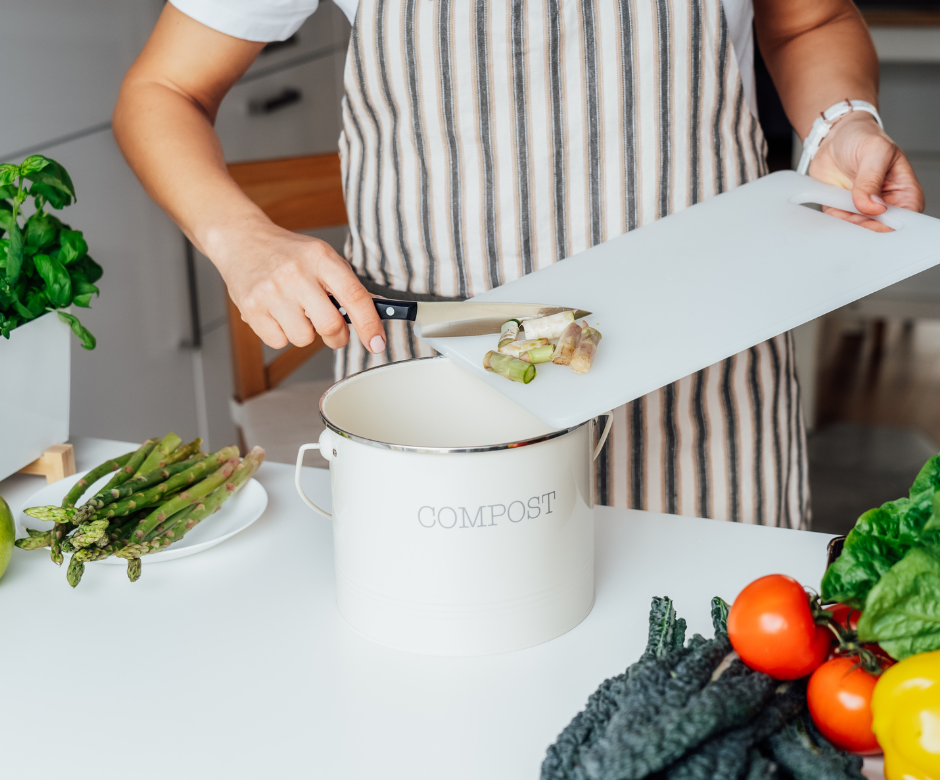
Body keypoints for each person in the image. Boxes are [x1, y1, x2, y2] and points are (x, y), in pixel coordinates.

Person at [113, 0, 924, 529]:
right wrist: (241, 240)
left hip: (701, 378)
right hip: (441, 384)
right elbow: (163, 89)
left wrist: (840, 124)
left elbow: (808, 22)